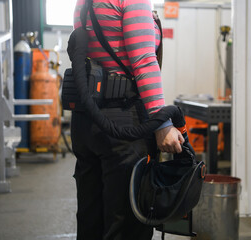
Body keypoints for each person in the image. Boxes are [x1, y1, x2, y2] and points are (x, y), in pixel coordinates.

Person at [70, 0, 184, 239]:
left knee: (91, 220)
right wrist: (161, 123)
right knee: (126, 224)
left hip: (87, 120)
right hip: (122, 123)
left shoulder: (83, 2)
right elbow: (143, 60)